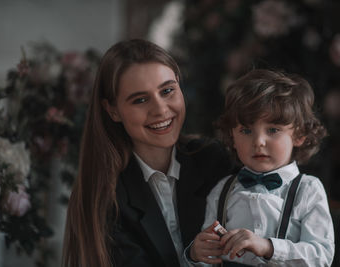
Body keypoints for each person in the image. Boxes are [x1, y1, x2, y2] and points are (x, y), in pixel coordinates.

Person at [62, 39, 234, 267]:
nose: (161, 109)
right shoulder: (105, 194)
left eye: (167, 91)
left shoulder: (214, 159)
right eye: (140, 100)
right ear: (112, 110)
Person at [186, 69, 334, 266]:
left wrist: (268, 247)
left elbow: (321, 257)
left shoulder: (308, 190)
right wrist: (196, 255)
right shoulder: (222, 190)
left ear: (299, 135)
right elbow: (209, 258)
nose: (258, 141)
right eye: (246, 130)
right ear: (232, 137)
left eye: (273, 130)